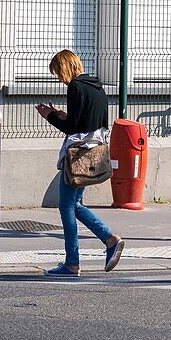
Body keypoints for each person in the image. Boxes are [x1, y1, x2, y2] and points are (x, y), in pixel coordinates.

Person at [37, 49, 124, 278]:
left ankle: (72, 263)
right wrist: (63, 114)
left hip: (77, 156)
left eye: (58, 72)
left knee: (65, 206)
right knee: (74, 204)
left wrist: (49, 116)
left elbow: (72, 128)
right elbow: (90, 121)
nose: (59, 78)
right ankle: (109, 239)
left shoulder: (75, 86)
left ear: (64, 68)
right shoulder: (96, 86)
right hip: (93, 154)